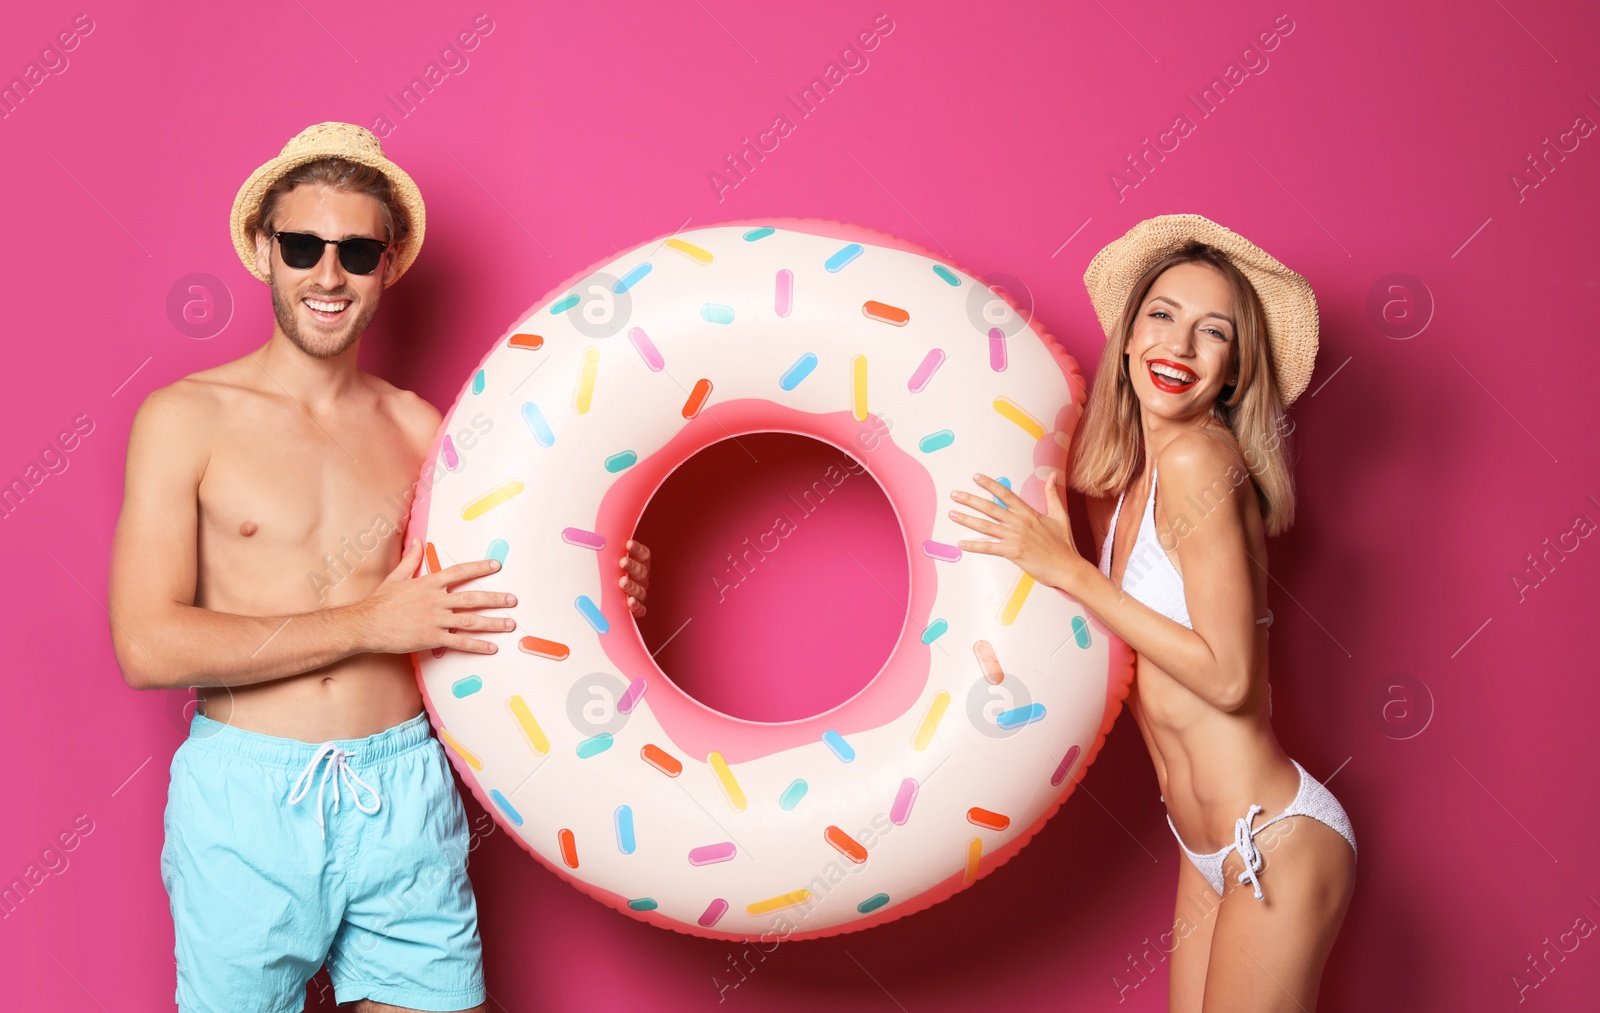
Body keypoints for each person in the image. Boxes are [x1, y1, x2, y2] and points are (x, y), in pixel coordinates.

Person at [108, 122, 653, 1013]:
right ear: (262, 249)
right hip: (248, 800)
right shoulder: (186, 418)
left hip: (403, 793)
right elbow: (147, 644)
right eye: (304, 246)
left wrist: (603, 585)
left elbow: (494, 598)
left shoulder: (423, 431)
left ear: (388, 264)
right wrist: (367, 623)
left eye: (357, 251)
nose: (329, 275)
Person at [947, 214, 1355, 1011]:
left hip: (1271, 838)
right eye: (1162, 316)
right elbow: (1123, 637)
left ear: (1234, 375)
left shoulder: (1204, 459)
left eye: (1214, 333)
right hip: (1203, 844)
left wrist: (1068, 568)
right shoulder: (1134, 486)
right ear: (1130, 336)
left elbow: (1230, 677)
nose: (1180, 346)